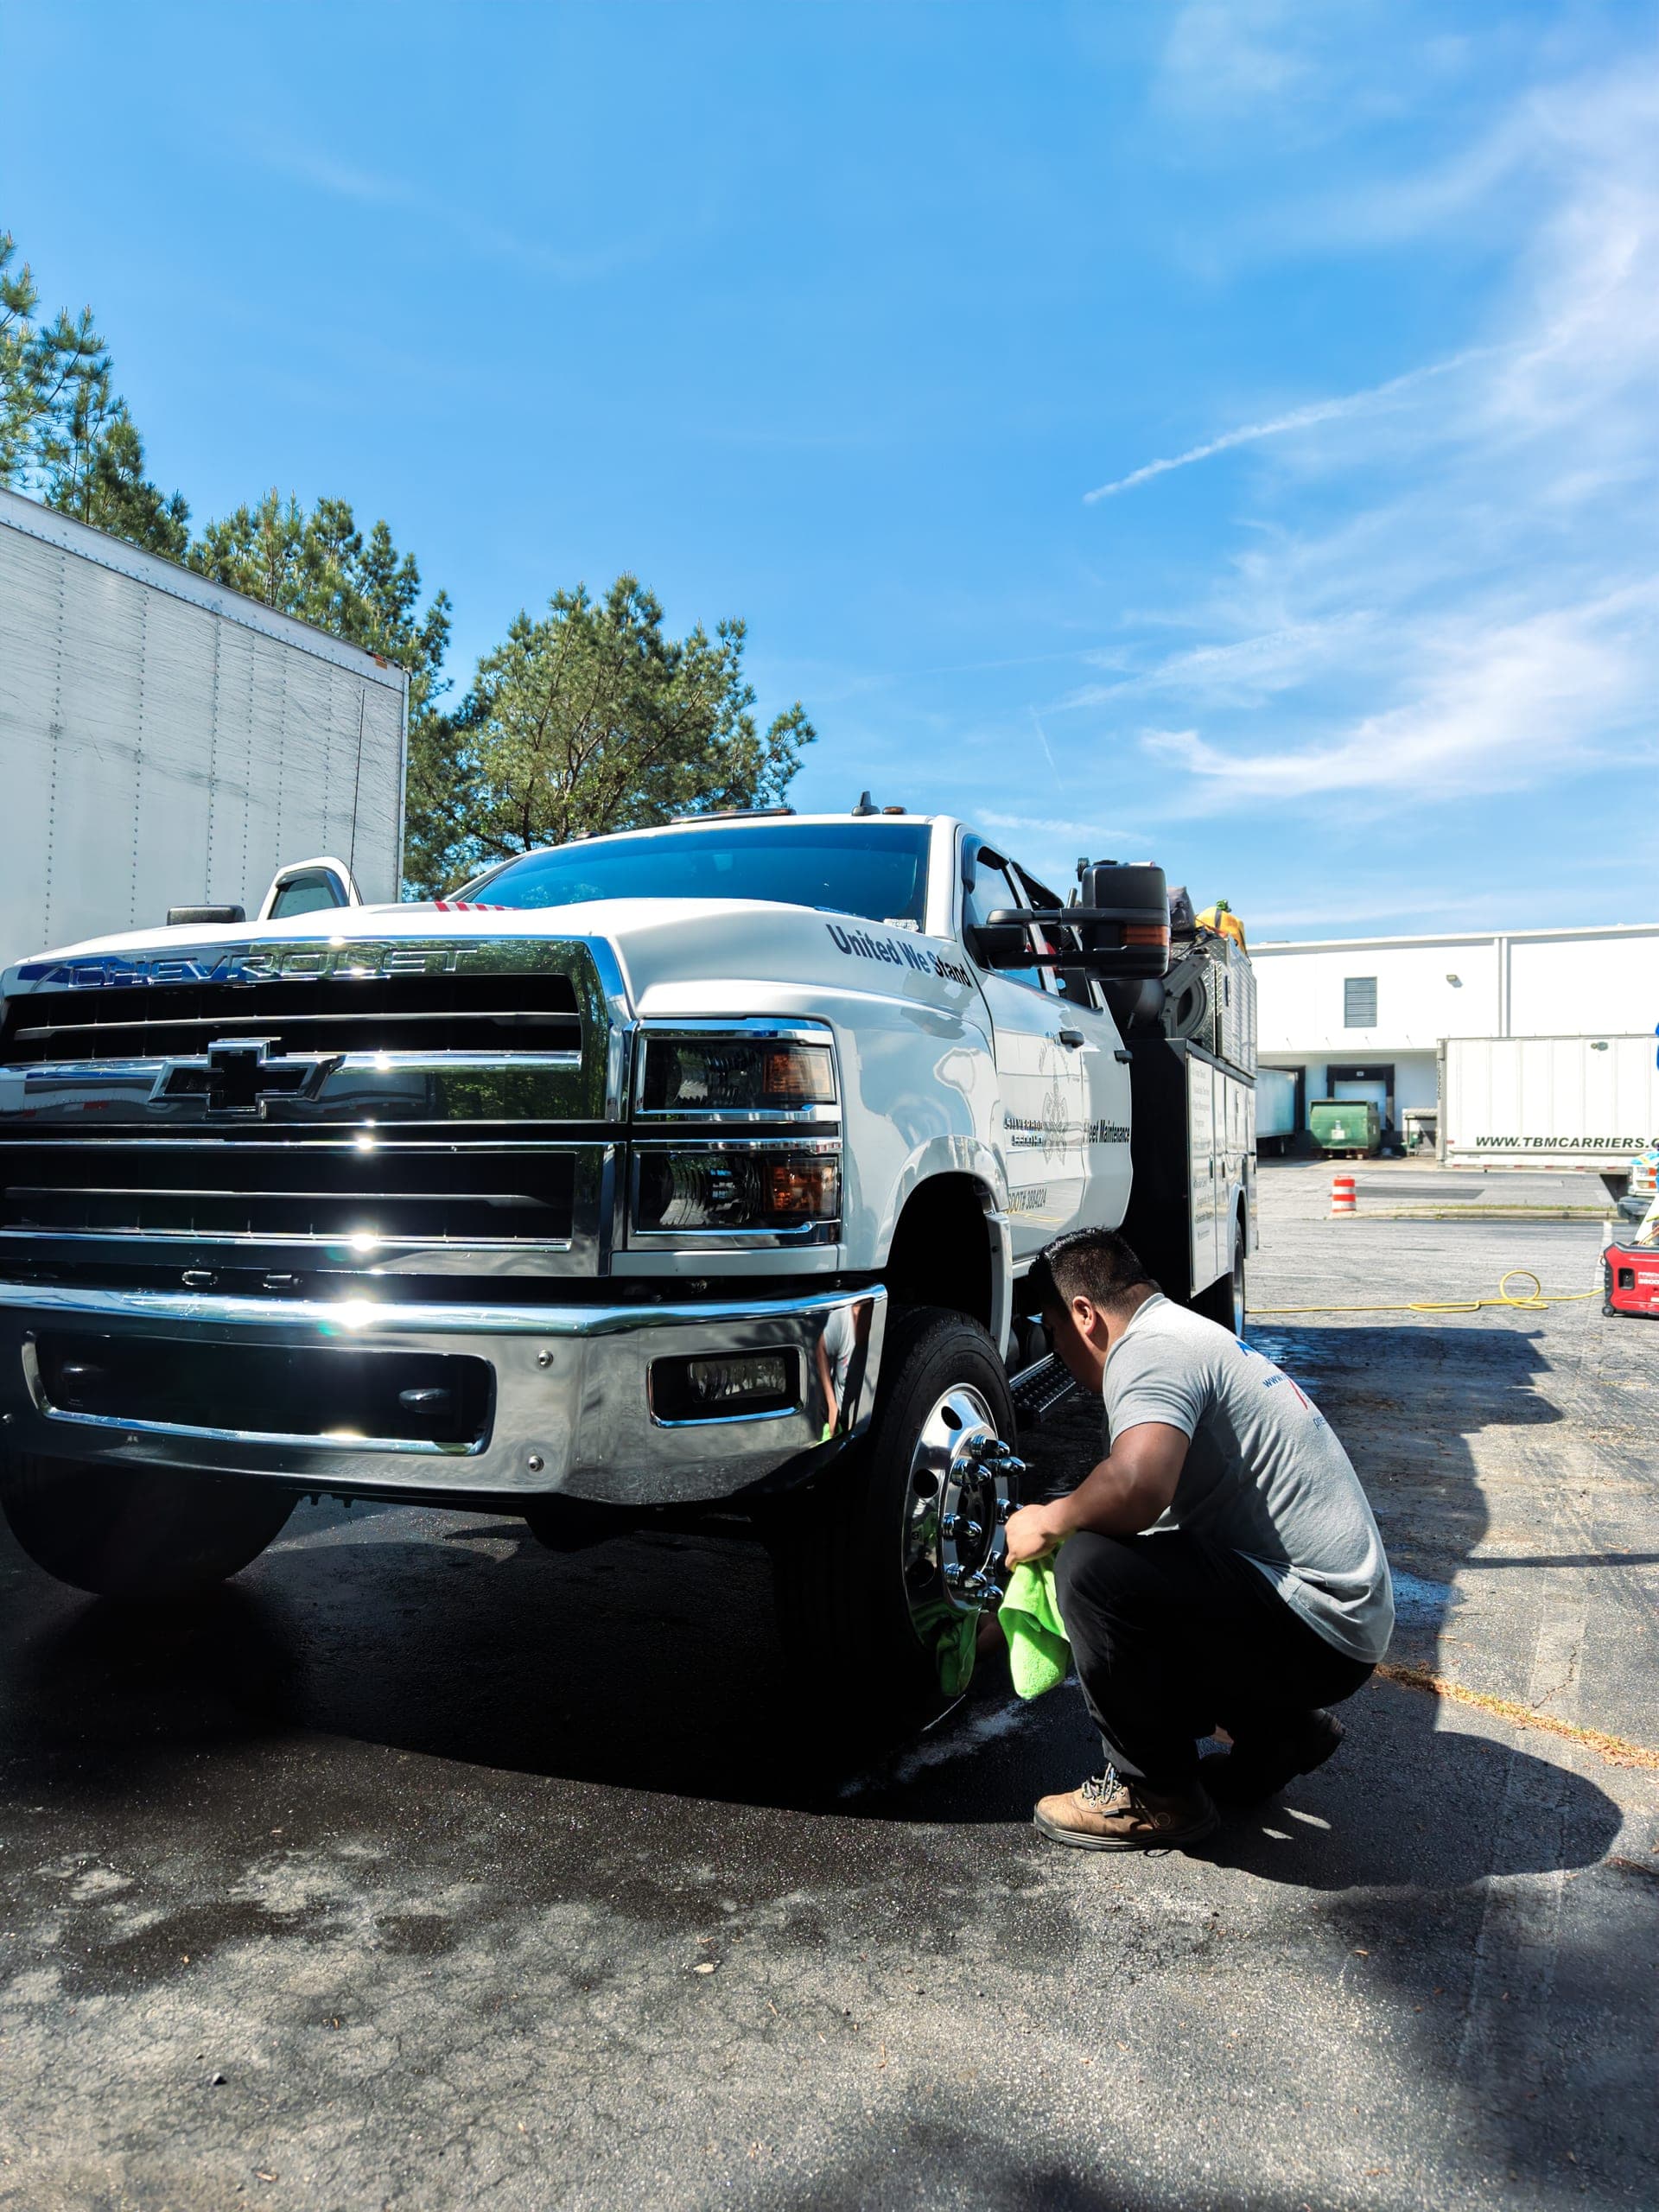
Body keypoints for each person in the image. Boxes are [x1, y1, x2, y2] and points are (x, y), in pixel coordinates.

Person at [1001, 1226, 1394, 1853]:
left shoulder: (1150, 1349)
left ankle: (1153, 1793)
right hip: (1340, 1624)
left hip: (1315, 1627)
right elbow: (1153, 1532)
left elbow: (1136, 1487)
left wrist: (1048, 1519)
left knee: (1089, 1565)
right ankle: (1281, 1735)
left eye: (1052, 1334)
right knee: (1117, 1562)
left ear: (1084, 1314)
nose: (1057, 1353)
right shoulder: (1186, 1334)